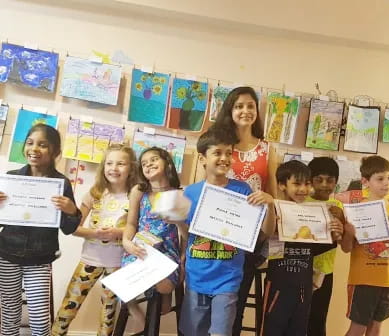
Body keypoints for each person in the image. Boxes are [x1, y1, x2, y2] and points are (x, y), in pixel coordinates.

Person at [180, 128, 268, 336]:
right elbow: (187, 235)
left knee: (222, 331)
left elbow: (260, 233)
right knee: (194, 331)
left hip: (228, 277)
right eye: (217, 153)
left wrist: (269, 206)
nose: (224, 158)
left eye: (229, 153)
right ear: (202, 158)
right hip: (197, 276)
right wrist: (176, 222)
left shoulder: (243, 190)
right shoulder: (191, 192)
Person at [0, 124, 81, 336]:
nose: (34, 149)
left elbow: (68, 228)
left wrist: (72, 210)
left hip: (40, 257)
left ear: (55, 152)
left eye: (42, 145)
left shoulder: (61, 183)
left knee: (39, 316)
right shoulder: (11, 177)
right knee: (9, 314)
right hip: (6, 253)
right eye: (30, 143)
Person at [52, 144, 137, 336]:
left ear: (131, 167)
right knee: (67, 310)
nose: (114, 168)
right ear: (103, 166)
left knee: (108, 315)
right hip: (89, 260)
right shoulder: (94, 193)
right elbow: (74, 227)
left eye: (121, 163)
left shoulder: (135, 196)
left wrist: (117, 232)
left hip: (117, 265)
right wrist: (94, 234)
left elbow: (137, 229)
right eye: (109, 163)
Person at [212, 86, 276, 335]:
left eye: (251, 106)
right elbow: (203, 187)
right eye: (239, 106)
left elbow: (273, 197)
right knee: (209, 301)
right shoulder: (217, 146)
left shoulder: (267, 149)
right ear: (230, 109)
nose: (245, 111)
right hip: (216, 232)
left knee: (234, 305)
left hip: (250, 239)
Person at [261, 160, 343, 336]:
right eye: (297, 184)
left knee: (299, 330)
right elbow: (266, 239)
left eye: (306, 184)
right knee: (273, 329)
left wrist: (335, 234)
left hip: (304, 285)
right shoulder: (275, 209)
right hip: (278, 284)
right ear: (282, 185)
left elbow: (318, 247)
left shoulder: (314, 214)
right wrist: (271, 210)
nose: (303, 189)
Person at [342, 155, 389, 336]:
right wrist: (349, 233)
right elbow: (346, 248)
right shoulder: (356, 210)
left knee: (376, 328)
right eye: (380, 178)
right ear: (365, 181)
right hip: (363, 280)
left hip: (387, 280)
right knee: (358, 328)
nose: (386, 183)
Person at [122, 147, 183, 323]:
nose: (148, 164)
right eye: (144, 163)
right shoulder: (139, 191)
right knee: (126, 287)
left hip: (167, 249)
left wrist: (183, 258)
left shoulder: (178, 193)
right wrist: (127, 242)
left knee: (164, 290)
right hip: (140, 247)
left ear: (167, 163)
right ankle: (134, 305)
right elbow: (131, 223)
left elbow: (185, 233)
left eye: (154, 159)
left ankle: (158, 296)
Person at [306, 156, 347, 336]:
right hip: (300, 269)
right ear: (310, 180)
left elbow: (342, 239)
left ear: (336, 182)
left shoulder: (337, 206)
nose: (324, 185)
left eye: (330, 180)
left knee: (318, 317)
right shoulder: (301, 202)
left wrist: (342, 221)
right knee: (297, 317)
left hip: (325, 272)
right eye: (319, 180)